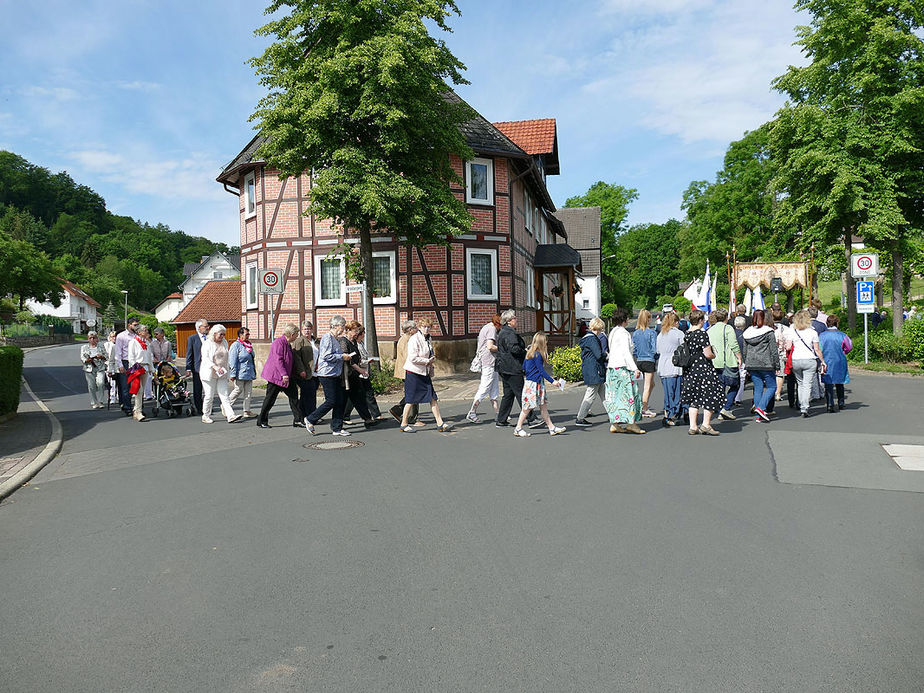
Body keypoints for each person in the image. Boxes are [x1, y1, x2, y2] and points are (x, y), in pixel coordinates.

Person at [399, 316, 453, 433]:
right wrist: (427, 361)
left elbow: (428, 352)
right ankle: (404, 423)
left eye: (429, 327)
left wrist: (431, 360)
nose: (427, 329)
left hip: (424, 372)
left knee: (432, 397)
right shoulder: (414, 338)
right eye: (424, 327)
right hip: (413, 372)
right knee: (411, 399)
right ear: (419, 327)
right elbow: (413, 358)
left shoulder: (428, 338)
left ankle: (440, 423)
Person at [305, 316, 353, 436]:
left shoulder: (335, 339)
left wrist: (344, 355)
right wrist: (341, 356)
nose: (343, 329)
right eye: (342, 326)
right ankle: (311, 418)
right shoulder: (327, 338)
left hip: (335, 373)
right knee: (331, 401)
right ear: (336, 326)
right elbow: (326, 355)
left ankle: (337, 428)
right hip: (326, 374)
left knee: (340, 400)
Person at [513, 332, 566, 437]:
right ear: (542, 343)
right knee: (527, 408)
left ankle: (551, 427)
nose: (546, 343)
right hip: (534, 384)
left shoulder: (530, 353)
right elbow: (541, 371)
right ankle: (518, 428)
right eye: (545, 341)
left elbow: (524, 367)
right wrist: (553, 381)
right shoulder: (537, 355)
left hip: (531, 383)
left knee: (542, 407)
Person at [681, 310, 725, 436]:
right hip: (703, 369)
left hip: (690, 370)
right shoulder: (702, 334)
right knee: (709, 396)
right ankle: (706, 424)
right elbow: (707, 354)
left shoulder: (687, 334)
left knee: (693, 398)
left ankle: (693, 426)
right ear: (700, 321)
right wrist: (714, 354)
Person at [495, 310, 540, 429]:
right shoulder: (510, 333)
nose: (516, 320)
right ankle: (532, 419)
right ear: (509, 321)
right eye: (514, 318)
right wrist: (525, 351)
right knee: (521, 393)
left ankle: (501, 419)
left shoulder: (503, 332)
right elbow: (514, 349)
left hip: (504, 367)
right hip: (512, 367)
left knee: (508, 395)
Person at [604, 307, 645, 434]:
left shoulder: (612, 332)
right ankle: (631, 423)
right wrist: (634, 368)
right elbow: (626, 353)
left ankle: (615, 423)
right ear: (624, 319)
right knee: (629, 396)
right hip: (622, 368)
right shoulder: (623, 333)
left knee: (615, 397)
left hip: (612, 368)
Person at [257, 324, 305, 429]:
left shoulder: (287, 343)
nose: (297, 336)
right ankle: (262, 420)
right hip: (276, 377)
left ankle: (298, 420)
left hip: (286, 376)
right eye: (296, 334)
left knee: (294, 398)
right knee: (270, 399)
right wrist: (284, 374)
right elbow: (278, 360)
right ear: (292, 334)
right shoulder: (278, 343)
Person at [340, 320, 381, 428]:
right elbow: (349, 360)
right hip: (346, 374)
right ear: (348, 330)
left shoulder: (354, 341)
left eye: (357, 331)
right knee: (344, 398)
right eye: (355, 331)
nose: (356, 333)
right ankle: (314, 419)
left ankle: (367, 419)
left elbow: (356, 358)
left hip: (354, 374)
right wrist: (361, 370)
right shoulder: (343, 341)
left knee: (360, 396)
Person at [787, 309, 827, 417]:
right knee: (807, 384)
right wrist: (822, 361)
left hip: (796, 359)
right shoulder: (813, 332)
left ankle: (801, 405)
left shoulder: (792, 331)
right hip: (809, 360)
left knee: (800, 384)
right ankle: (805, 407)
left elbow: (788, 347)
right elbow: (817, 349)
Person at [741, 309, 780, 423]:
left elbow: (744, 351)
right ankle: (761, 408)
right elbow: (773, 350)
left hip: (752, 363)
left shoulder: (747, 333)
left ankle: (759, 415)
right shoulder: (768, 332)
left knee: (758, 388)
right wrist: (777, 365)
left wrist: (746, 363)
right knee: (772, 387)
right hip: (766, 363)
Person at [199, 324, 242, 424]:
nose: (222, 336)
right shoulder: (207, 343)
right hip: (209, 373)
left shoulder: (224, 342)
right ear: (214, 334)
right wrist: (215, 366)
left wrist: (228, 369)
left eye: (224, 334)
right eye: (220, 334)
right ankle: (205, 415)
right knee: (209, 396)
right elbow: (205, 359)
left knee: (224, 395)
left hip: (222, 373)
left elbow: (226, 357)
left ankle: (231, 415)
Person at [707, 308, 742, 420]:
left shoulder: (709, 330)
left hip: (714, 361)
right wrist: (739, 357)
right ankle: (726, 408)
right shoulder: (728, 328)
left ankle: (720, 408)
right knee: (735, 384)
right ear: (726, 317)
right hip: (727, 361)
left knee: (720, 386)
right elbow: (734, 344)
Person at [466, 314, 501, 423]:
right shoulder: (491, 329)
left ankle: (498, 413)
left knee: (494, 388)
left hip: (490, 362)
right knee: (485, 388)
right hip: (489, 361)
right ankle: (472, 412)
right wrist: (504, 349)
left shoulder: (486, 327)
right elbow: (490, 346)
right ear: (498, 323)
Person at [575, 317, 607, 427]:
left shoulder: (586, 338)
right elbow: (598, 354)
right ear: (598, 328)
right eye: (601, 329)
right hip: (595, 370)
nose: (601, 332)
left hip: (590, 369)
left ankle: (614, 415)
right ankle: (580, 418)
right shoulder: (592, 339)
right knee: (591, 395)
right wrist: (606, 355)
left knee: (605, 394)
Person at [388, 321, 420, 426]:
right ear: (410, 330)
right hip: (408, 370)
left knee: (414, 393)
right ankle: (399, 412)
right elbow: (409, 357)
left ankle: (410, 416)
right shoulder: (407, 340)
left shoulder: (407, 339)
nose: (417, 329)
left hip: (408, 370)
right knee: (413, 393)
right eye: (415, 328)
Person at [656, 311, 684, 427]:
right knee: (677, 392)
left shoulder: (661, 334)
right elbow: (684, 348)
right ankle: (675, 413)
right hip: (675, 365)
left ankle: (668, 414)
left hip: (663, 365)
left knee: (668, 393)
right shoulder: (679, 334)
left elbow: (658, 350)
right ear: (676, 322)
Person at [819, 314, 852, 412]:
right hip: (839, 359)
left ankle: (830, 404)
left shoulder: (821, 335)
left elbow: (818, 348)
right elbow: (849, 346)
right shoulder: (842, 335)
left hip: (826, 360)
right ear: (837, 323)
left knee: (828, 383)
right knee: (839, 381)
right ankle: (841, 403)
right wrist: (844, 351)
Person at [631, 309, 658, 417]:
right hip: (649, 360)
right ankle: (644, 408)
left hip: (639, 361)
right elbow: (654, 348)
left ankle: (640, 404)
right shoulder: (651, 332)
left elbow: (634, 349)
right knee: (647, 386)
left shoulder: (636, 333)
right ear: (647, 319)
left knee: (650, 384)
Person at [292, 321, 319, 426]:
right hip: (305, 372)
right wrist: (301, 370)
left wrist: (318, 364)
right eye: (305, 329)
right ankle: (312, 416)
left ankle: (304, 416)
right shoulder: (299, 341)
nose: (307, 331)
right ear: (302, 331)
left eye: (309, 329)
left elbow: (320, 354)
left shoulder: (316, 340)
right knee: (309, 395)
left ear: (312, 329)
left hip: (316, 372)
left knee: (307, 395)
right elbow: (297, 357)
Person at [126, 324, 154, 421]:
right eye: (145, 330)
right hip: (137, 368)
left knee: (141, 391)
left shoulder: (146, 342)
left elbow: (149, 357)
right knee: (139, 390)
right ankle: (138, 412)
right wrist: (135, 367)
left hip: (145, 367)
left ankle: (137, 410)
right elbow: (131, 356)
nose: (147, 332)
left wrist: (152, 369)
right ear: (139, 332)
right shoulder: (133, 342)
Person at [228, 327, 257, 418]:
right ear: (240, 335)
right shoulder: (235, 345)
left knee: (248, 393)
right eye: (246, 334)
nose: (248, 336)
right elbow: (232, 360)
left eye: (248, 334)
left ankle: (247, 411)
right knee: (238, 390)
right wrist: (232, 374)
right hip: (240, 373)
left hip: (249, 372)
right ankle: (226, 406)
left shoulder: (248, 345)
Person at [114, 317, 140, 416]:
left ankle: (138, 408)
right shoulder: (121, 336)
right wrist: (120, 365)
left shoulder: (137, 336)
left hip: (136, 362)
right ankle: (127, 407)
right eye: (135, 325)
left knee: (137, 385)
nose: (137, 326)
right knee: (126, 386)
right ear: (129, 325)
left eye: (137, 324)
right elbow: (118, 352)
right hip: (125, 362)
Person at [185, 318, 209, 415]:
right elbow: (189, 354)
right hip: (198, 367)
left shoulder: (209, 338)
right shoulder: (192, 339)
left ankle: (207, 407)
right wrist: (188, 368)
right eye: (206, 326)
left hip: (209, 367)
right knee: (198, 389)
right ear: (199, 327)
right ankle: (199, 408)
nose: (208, 328)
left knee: (208, 389)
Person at [80, 331, 108, 409]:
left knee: (101, 383)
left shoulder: (101, 346)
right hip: (89, 368)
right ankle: (94, 402)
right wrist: (87, 360)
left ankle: (100, 401)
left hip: (100, 367)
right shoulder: (84, 347)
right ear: (88, 339)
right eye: (90, 338)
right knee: (91, 385)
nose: (92, 339)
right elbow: (82, 358)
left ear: (97, 339)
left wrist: (101, 356)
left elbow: (106, 356)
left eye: (94, 338)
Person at [104, 330, 120, 405]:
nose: (114, 338)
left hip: (118, 365)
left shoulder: (119, 345)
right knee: (112, 383)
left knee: (119, 382)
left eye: (115, 336)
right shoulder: (106, 345)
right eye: (113, 336)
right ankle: (112, 397)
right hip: (109, 365)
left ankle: (118, 396)